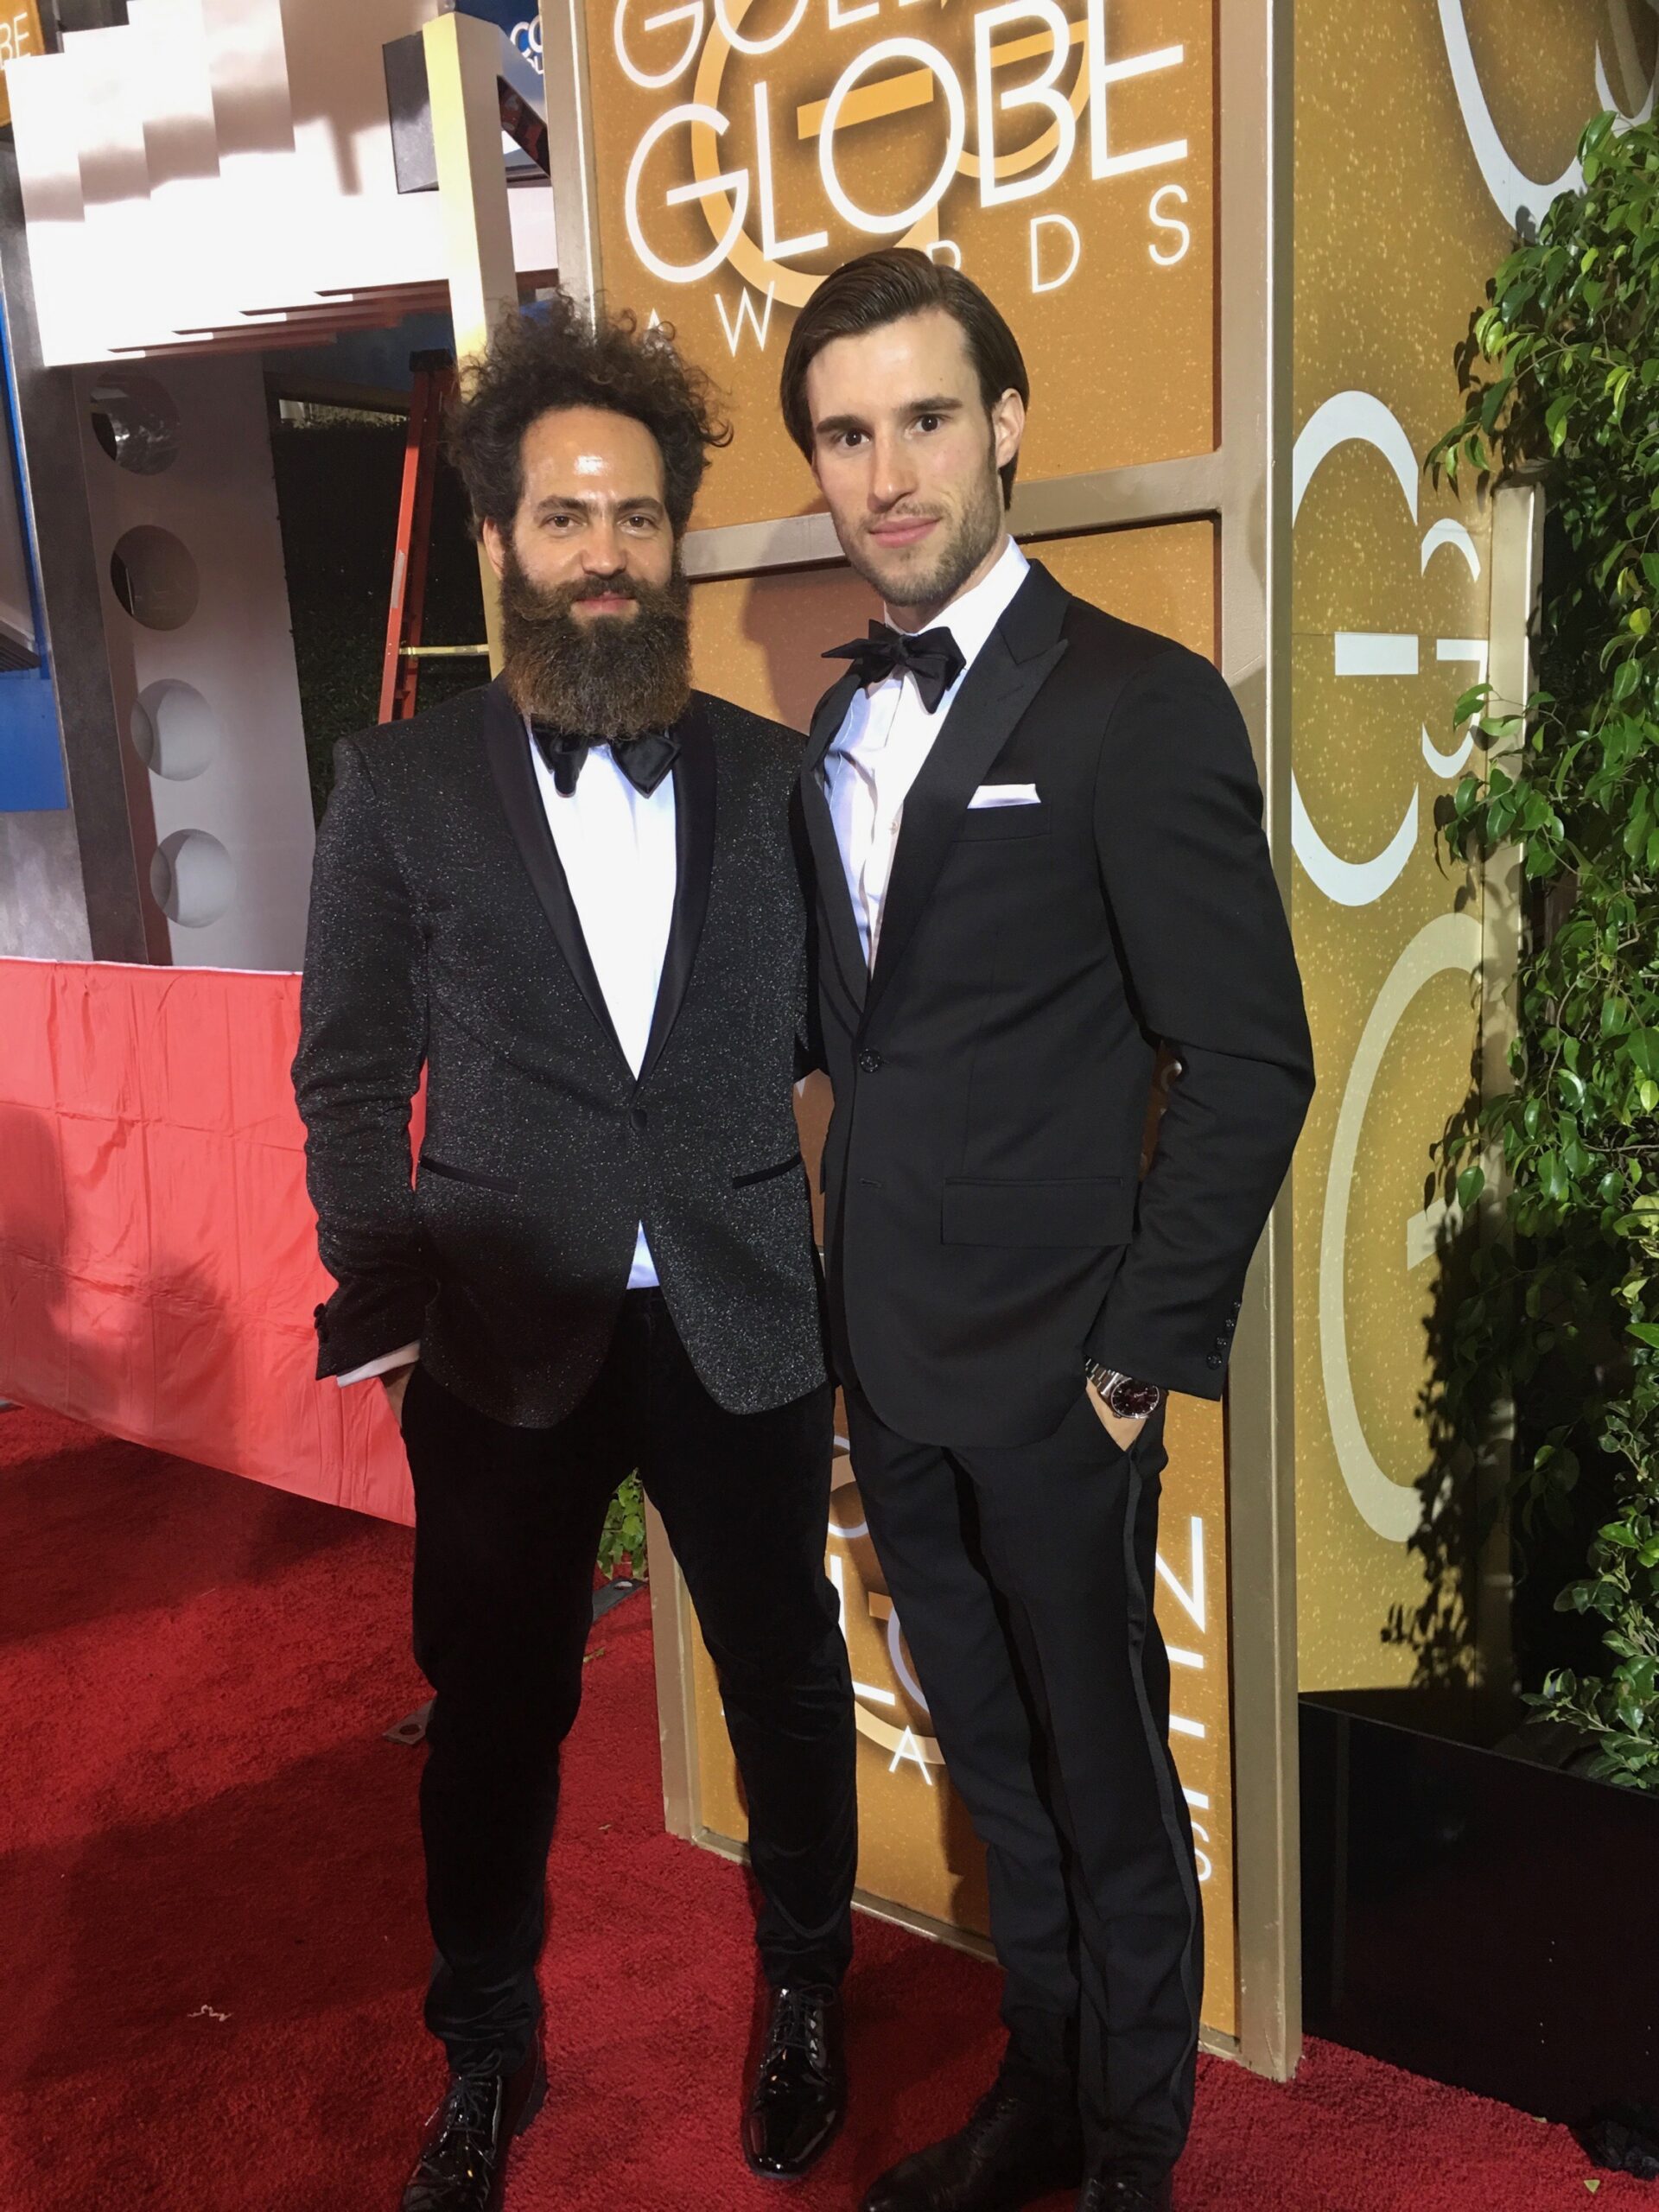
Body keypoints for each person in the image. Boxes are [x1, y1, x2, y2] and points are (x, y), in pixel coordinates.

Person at [293, 296, 856, 2212]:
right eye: (563, 519)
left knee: (788, 1677)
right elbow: (354, 1066)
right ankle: (486, 2044)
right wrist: (375, 1280)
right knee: (498, 1703)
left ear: (675, 538)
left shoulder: (785, 784)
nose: (602, 553)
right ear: (504, 542)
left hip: (740, 1310)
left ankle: (803, 1990)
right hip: (499, 1328)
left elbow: (857, 1054)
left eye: (635, 518)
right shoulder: (398, 786)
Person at [779, 248, 1314, 2212]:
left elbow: (1251, 1058)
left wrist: (1128, 1359)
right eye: (848, 433)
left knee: (1104, 1781)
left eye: (926, 417)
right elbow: (858, 1039)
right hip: (890, 1359)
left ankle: (1132, 2157)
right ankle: (1040, 2085)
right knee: (996, 1762)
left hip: (1057, 1370)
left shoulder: (1133, 708)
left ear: (1007, 427)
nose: (888, 468)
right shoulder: (832, 738)